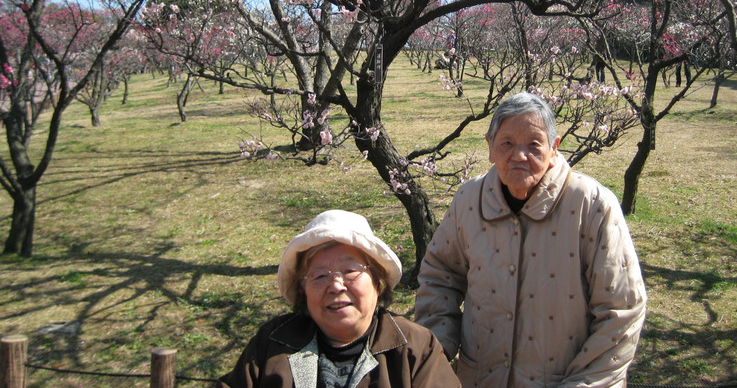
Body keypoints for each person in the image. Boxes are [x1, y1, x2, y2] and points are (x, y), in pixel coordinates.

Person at [414, 92, 647, 388]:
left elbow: (621, 311)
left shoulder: (592, 205)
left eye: (534, 145)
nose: (519, 155)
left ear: (554, 149)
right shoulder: (469, 200)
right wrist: (438, 349)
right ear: (490, 147)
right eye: (507, 143)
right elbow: (440, 275)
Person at [217, 209, 461, 388]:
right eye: (319, 275)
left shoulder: (415, 348)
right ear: (303, 288)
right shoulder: (272, 343)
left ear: (377, 281)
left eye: (350, 271)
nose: (335, 285)